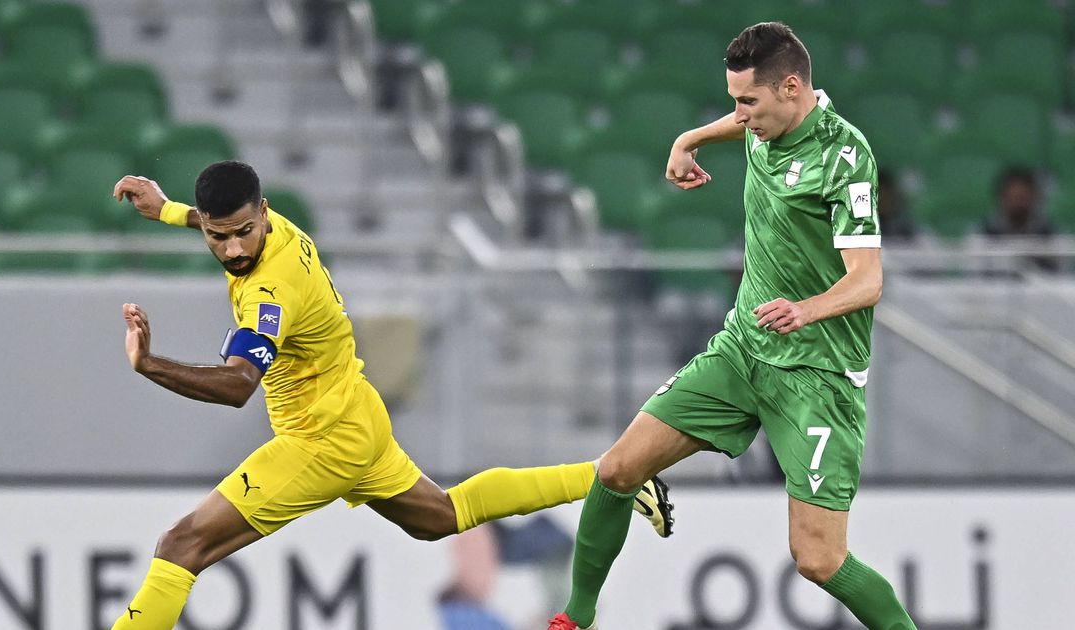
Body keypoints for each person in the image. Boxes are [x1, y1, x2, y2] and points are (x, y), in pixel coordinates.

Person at [107, 161, 674, 630]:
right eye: (216, 236)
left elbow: (236, 387)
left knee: (181, 546)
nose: (232, 250)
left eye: (241, 233)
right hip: (356, 412)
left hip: (318, 441)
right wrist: (167, 209)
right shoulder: (267, 225)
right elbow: (219, 221)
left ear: (260, 216)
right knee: (442, 516)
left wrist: (148, 364)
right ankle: (610, 475)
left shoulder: (269, 291)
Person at [546, 23, 918, 630]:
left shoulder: (845, 159)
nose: (740, 115)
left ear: (792, 88)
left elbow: (868, 280)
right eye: (734, 101)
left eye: (748, 101)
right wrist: (689, 138)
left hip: (816, 375)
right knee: (616, 469)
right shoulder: (763, 124)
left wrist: (807, 309)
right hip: (742, 352)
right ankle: (576, 618)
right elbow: (738, 126)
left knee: (819, 558)